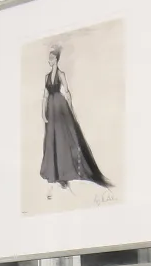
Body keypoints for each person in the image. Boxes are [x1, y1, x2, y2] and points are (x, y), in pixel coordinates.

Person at [39, 45, 111, 189]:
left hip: (61, 108)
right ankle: (55, 173)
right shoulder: (46, 77)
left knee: (63, 137)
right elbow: (45, 96)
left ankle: (64, 174)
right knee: (52, 139)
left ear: (56, 59)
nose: (49, 60)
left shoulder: (61, 74)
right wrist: (42, 113)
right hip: (51, 110)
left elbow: (67, 92)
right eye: (49, 58)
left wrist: (70, 108)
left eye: (52, 58)